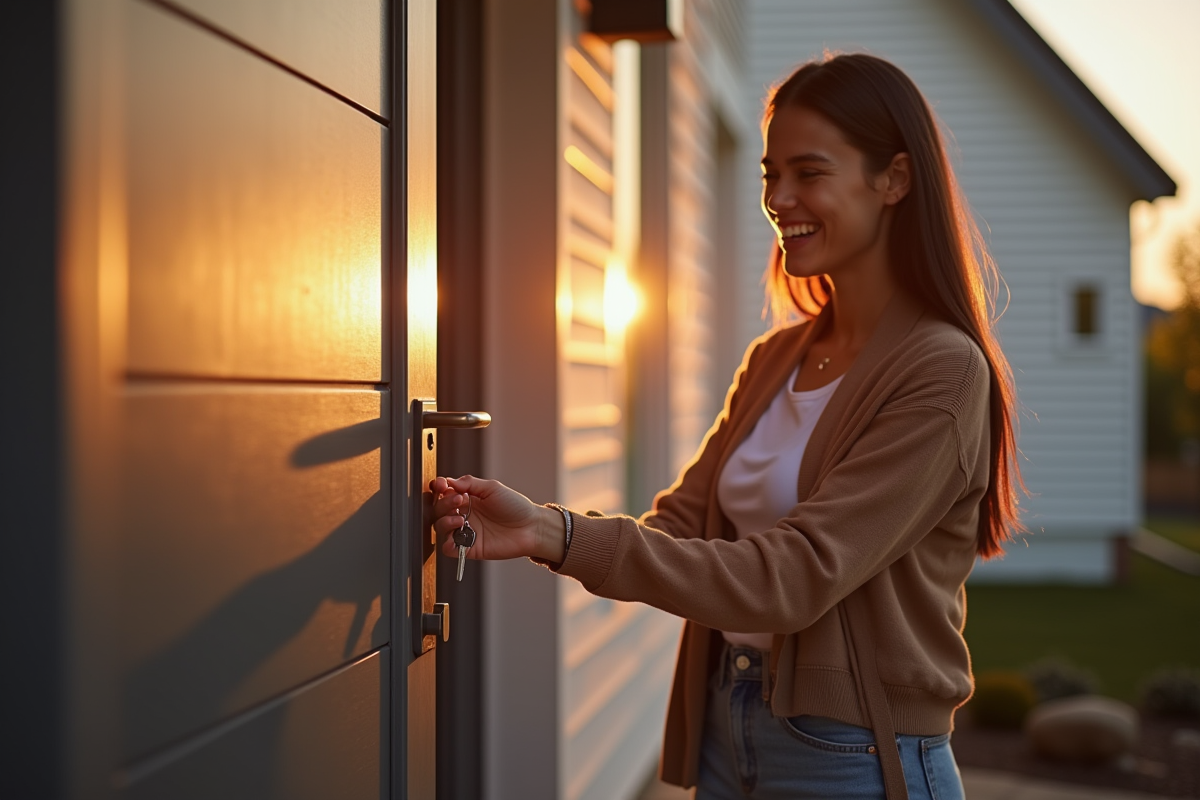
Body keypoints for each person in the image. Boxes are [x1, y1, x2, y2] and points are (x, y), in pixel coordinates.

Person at [430, 53, 1023, 800]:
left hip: (856, 753)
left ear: (894, 180)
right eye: (771, 174)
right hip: (728, 717)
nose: (780, 197)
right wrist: (546, 528)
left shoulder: (941, 371)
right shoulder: (776, 357)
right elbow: (683, 522)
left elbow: (795, 577)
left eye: (810, 172)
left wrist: (558, 536)